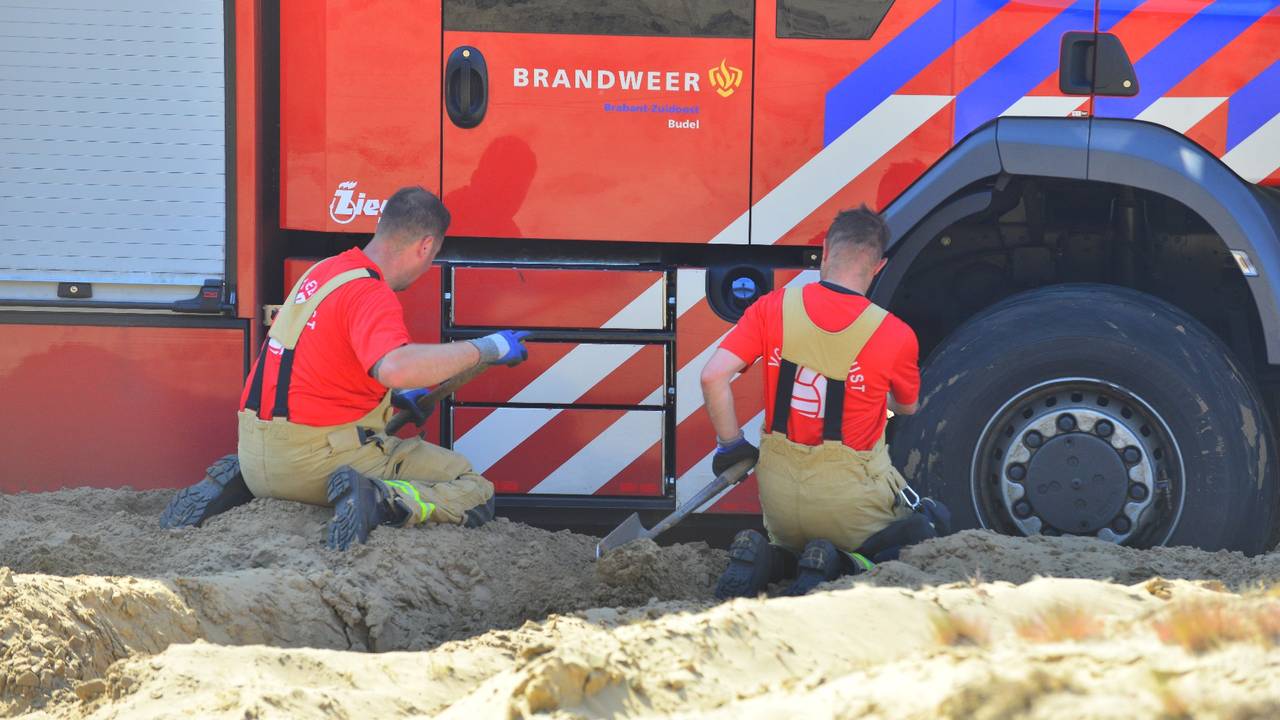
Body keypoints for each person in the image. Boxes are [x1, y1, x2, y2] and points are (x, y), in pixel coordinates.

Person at [161, 186, 529, 550]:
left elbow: (317, 365)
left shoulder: (324, 273)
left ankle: (241, 480)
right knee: (473, 488)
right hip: (315, 466)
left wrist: (395, 398)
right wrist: (487, 348)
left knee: (304, 452)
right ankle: (381, 499)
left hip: (256, 452)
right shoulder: (371, 293)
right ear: (425, 246)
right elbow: (395, 368)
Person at [700, 206, 949, 599]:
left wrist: (731, 446)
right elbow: (906, 407)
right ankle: (844, 562)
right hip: (850, 506)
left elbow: (713, 376)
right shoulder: (895, 334)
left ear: (825, 251)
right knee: (924, 529)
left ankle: (771, 559)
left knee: (792, 541)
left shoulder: (771, 307)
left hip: (779, 501)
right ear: (879, 266)